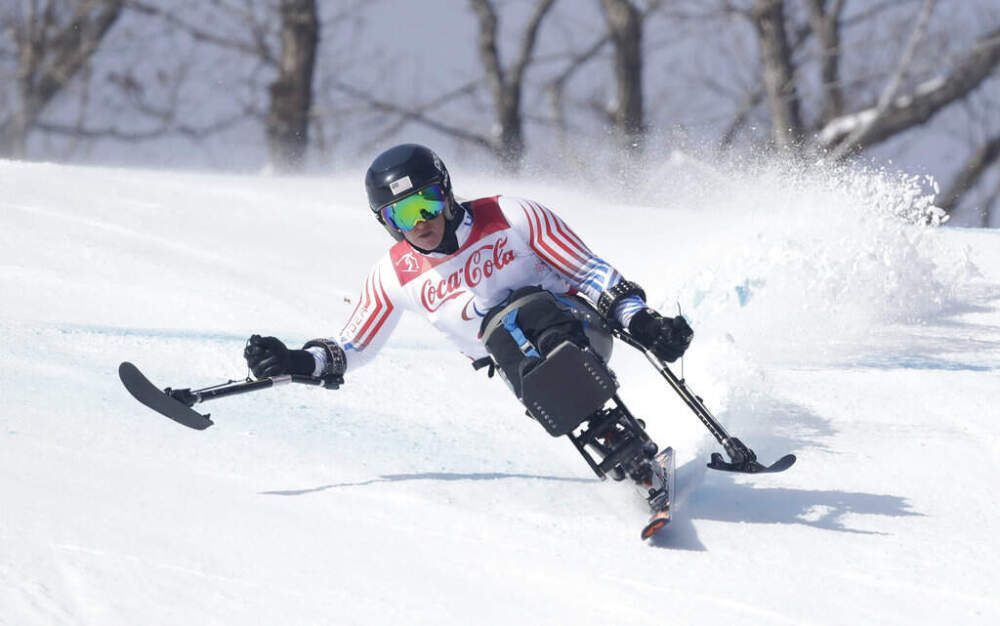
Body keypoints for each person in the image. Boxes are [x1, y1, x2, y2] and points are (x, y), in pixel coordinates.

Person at [244, 143, 692, 480]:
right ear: (386, 222)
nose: (421, 221)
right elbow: (351, 347)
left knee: (519, 310)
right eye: (403, 213)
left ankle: (596, 410)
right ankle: (614, 445)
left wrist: (640, 319)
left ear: (448, 193)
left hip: (578, 331)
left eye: (428, 202)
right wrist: (297, 361)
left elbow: (590, 271)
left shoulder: (510, 215)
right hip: (523, 369)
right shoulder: (394, 275)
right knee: (501, 332)